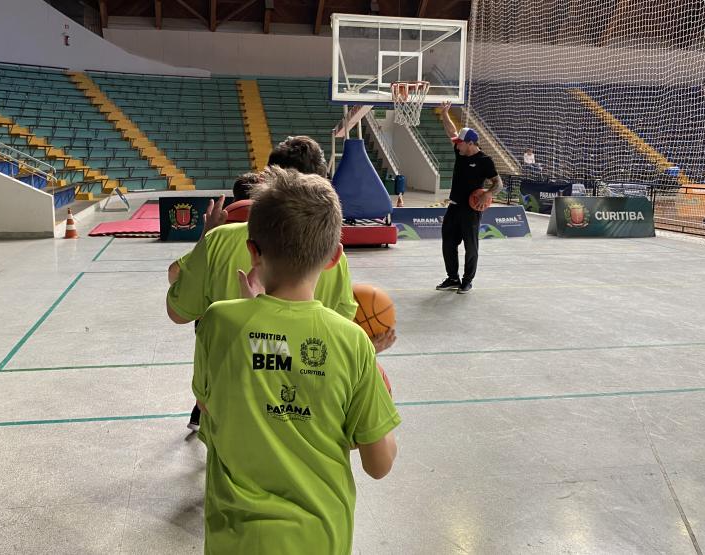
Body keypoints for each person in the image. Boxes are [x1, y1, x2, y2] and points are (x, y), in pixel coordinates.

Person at [191, 167, 400, 553]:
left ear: (253, 251)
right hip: (318, 537)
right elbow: (379, 464)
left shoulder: (219, 322)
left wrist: (253, 318)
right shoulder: (352, 343)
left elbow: (209, 404)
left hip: (233, 539)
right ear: (335, 257)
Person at [168, 138, 394, 432]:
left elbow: (178, 310)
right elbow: (337, 343)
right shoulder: (332, 258)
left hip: (228, 411)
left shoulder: (219, 242)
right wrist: (366, 350)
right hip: (302, 412)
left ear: (265, 181)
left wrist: (204, 242)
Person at [436, 102, 503, 294]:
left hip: (471, 210)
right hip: (454, 207)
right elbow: (451, 131)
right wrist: (445, 113)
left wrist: (488, 194)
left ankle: (467, 281)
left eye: (461, 143)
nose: (457, 145)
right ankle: (452, 278)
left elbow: (498, 183)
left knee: (470, 247)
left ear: (471, 144)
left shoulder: (485, 161)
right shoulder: (461, 153)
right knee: (448, 243)